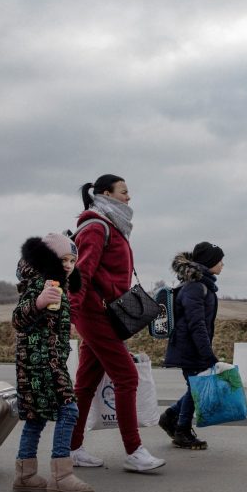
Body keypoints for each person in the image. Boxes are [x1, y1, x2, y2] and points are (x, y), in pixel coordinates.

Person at [67, 174, 165, 473]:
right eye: (124, 191)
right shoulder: (96, 227)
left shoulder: (110, 225)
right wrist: (71, 314)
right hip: (96, 315)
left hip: (102, 313)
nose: (129, 197)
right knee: (126, 378)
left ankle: (72, 448)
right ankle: (134, 451)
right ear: (105, 194)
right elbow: (81, 273)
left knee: (84, 385)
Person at [11, 233, 93, 492]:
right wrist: (38, 302)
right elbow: (18, 319)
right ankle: (62, 475)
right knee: (68, 410)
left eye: (72, 260)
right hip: (41, 362)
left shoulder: (59, 284)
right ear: (49, 258)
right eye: (63, 259)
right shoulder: (40, 284)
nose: (68, 264)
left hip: (46, 359)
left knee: (35, 417)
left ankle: (25, 474)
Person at [160, 241, 231, 450]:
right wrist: (207, 354)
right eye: (220, 260)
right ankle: (181, 430)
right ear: (209, 262)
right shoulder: (195, 287)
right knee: (196, 389)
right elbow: (196, 324)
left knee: (195, 388)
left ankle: (170, 416)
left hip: (192, 347)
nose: (222, 265)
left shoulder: (201, 285)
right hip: (189, 348)